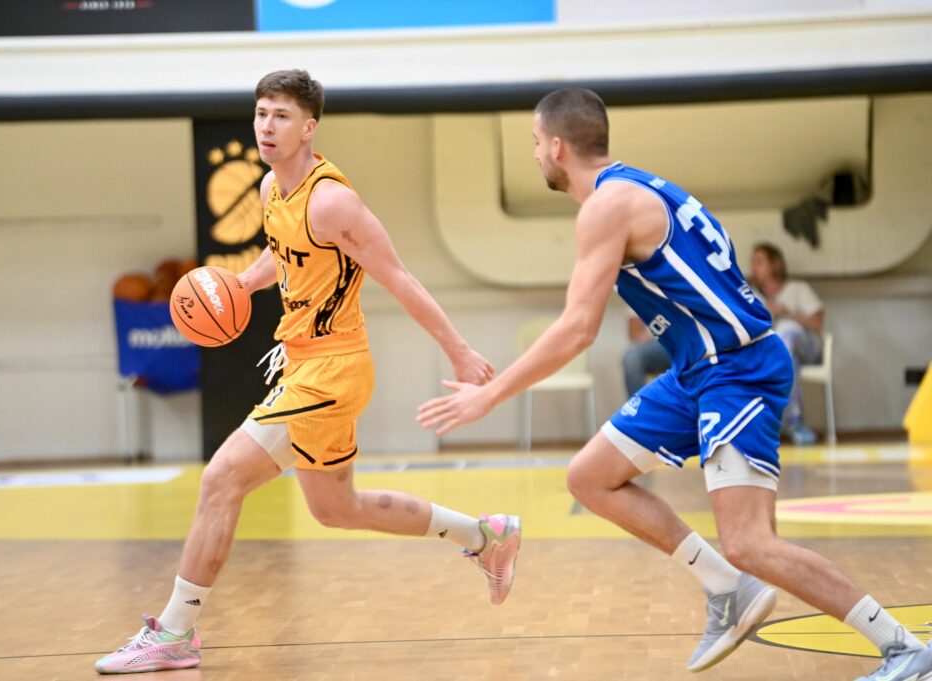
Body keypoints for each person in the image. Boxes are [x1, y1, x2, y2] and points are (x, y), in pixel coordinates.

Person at [417, 88, 930, 680]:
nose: (534, 154)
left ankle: (904, 649)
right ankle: (726, 587)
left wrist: (490, 395)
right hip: (698, 370)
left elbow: (578, 329)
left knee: (750, 543)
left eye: (535, 143)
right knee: (589, 476)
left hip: (737, 368)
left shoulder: (606, 207)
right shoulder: (643, 187)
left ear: (557, 146)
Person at [95, 70, 522, 675]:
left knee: (220, 479)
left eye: (282, 116)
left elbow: (399, 277)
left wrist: (458, 350)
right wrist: (243, 282)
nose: (266, 127)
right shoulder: (272, 186)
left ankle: (174, 632)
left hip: (332, 371)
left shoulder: (332, 202)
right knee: (337, 509)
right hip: (303, 363)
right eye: (260, 114)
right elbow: (283, 253)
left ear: (309, 127)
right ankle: (484, 535)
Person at [751, 242, 824, 445]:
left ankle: (793, 423)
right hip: (776, 356)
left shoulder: (798, 288)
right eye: (753, 263)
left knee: (786, 330)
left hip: (808, 350)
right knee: (778, 351)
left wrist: (787, 312)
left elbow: (817, 323)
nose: (754, 268)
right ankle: (770, 426)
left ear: (775, 264)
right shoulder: (751, 296)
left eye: (759, 262)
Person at [622, 310, 671, 397]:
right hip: (653, 345)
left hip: (685, 341)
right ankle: (638, 403)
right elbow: (634, 332)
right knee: (632, 358)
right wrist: (642, 337)